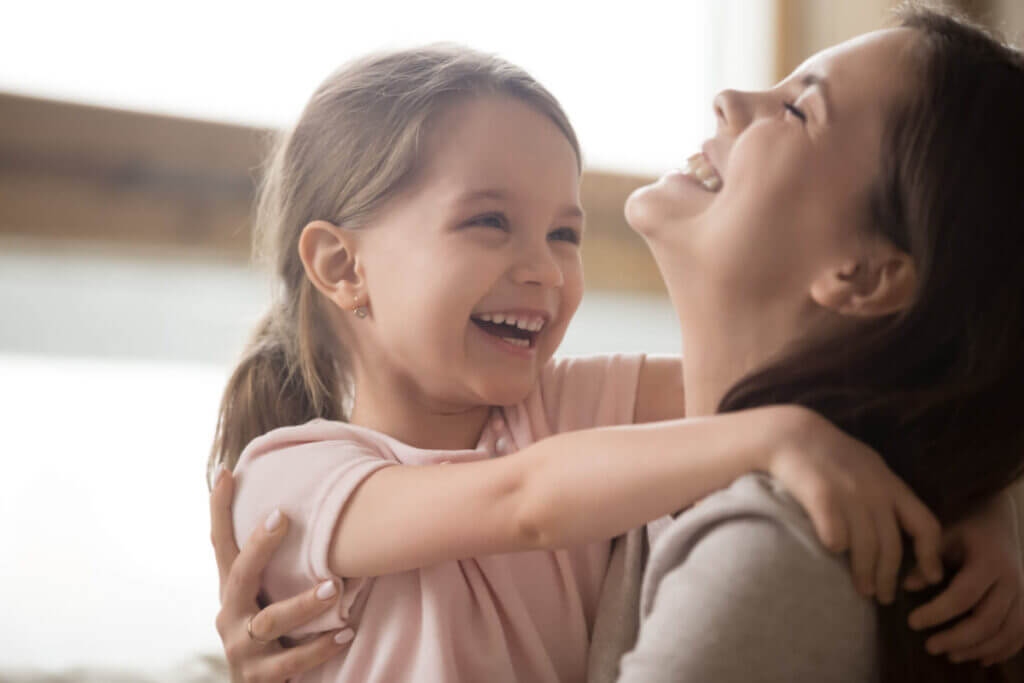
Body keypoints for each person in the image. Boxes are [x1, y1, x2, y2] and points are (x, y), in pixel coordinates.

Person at [205, 32, 1023, 683]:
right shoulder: (287, 482)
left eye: (564, 233)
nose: (543, 268)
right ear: (344, 267)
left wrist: (983, 506)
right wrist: (778, 440)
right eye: (490, 222)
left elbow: (888, 399)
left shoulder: (566, 413)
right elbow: (522, 500)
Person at [609, 5, 1024, 681]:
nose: (730, 101)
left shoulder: (771, 555)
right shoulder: (650, 456)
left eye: (799, 111)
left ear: (864, 274)